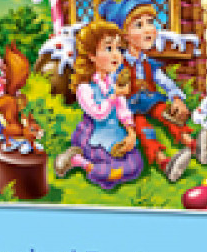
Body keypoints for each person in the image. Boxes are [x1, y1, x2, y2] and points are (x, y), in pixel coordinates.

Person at [97, 0, 193, 183]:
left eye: (150, 22)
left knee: (168, 113)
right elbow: (110, 88)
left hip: (150, 100)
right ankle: (163, 162)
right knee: (144, 128)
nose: (149, 29)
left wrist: (176, 98)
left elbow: (164, 81)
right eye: (139, 25)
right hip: (130, 108)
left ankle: (192, 144)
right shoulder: (118, 64)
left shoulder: (148, 62)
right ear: (123, 35)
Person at [54, 20, 143, 189]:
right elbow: (99, 114)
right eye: (109, 48)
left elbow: (123, 110)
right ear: (91, 55)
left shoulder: (112, 82)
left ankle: (107, 171)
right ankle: (79, 161)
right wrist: (113, 95)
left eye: (119, 49)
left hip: (115, 134)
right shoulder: (85, 88)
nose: (116, 55)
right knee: (109, 170)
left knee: (135, 165)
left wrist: (131, 133)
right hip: (94, 137)